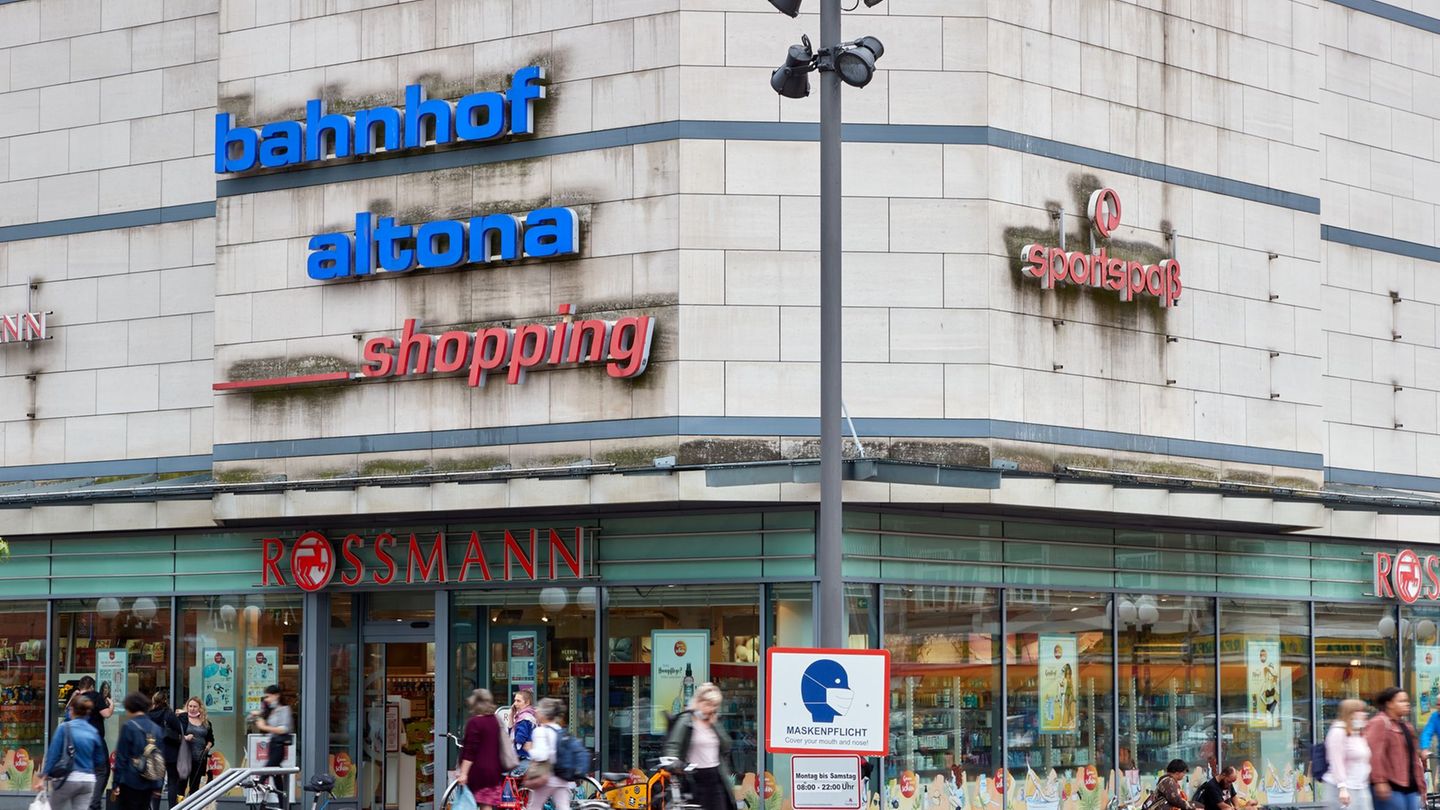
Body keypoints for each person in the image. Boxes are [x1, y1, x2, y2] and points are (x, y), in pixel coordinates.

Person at [663, 682, 738, 810]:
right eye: (709, 704)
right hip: (694, 779)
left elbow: (726, 745)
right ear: (699, 702)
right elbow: (673, 745)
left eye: (715, 706)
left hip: (716, 778)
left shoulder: (713, 722)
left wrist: (714, 724)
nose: (711, 709)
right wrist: (673, 762)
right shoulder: (687, 720)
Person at [1365, 688, 1425, 810]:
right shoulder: (1379, 722)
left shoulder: (1406, 726)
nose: (1407, 704)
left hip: (1410, 786)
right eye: (1401, 701)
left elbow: (1414, 758)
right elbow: (1374, 755)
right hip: (1391, 786)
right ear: (1389, 704)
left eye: (1407, 701)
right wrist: (1379, 781)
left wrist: (1421, 785)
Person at [44, 695, 104, 810]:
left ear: (72, 710)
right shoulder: (93, 731)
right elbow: (99, 759)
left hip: (68, 778)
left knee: (54, 807)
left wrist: (44, 774)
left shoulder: (64, 728)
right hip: (88, 780)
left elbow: (53, 753)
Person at [458, 689, 509, 810]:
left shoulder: (474, 722)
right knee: (486, 804)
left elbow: (470, 751)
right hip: (494, 771)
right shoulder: (495, 720)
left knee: (470, 803)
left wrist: (463, 773)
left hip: (478, 772)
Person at [112, 692, 163, 810]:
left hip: (130, 779)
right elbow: (159, 758)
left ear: (130, 707)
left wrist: (116, 782)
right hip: (149, 780)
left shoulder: (129, 726)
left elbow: (121, 757)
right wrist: (157, 784)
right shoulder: (156, 729)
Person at [73, 676, 114, 810]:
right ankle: (93, 802)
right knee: (103, 771)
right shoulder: (96, 696)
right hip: (95, 741)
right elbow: (106, 714)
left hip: (79, 742)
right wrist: (112, 705)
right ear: (91, 686)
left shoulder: (76, 699)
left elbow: (68, 716)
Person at [250, 685, 293, 810]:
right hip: (272, 745)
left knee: (267, 770)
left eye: (268, 696)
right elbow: (252, 719)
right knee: (276, 776)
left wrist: (265, 727)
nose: (266, 699)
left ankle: (258, 784)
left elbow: (284, 728)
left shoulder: (284, 709)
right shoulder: (269, 710)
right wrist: (256, 715)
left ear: (276, 695)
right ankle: (283, 805)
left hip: (279, 746)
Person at [525, 698, 571, 810]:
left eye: (538, 709)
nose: (536, 711)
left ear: (544, 714)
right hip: (562, 777)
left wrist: (529, 749)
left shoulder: (540, 731)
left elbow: (542, 755)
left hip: (547, 778)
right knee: (563, 807)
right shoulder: (559, 729)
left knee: (533, 807)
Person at [1326, 699, 1372, 810]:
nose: (1364, 714)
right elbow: (1336, 761)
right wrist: (1342, 787)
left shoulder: (1357, 733)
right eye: (1360, 711)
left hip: (1361, 786)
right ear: (1350, 713)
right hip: (1344, 788)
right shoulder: (1338, 732)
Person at [174, 698, 214, 803]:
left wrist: (209, 745)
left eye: (195, 706)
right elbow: (174, 735)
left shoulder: (206, 722)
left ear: (200, 708)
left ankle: (193, 805)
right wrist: (185, 737)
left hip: (200, 758)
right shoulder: (182, 720)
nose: (192, 709)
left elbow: (211, 739)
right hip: (185, 757)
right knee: (181, 784)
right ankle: (180, 805)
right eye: (190, 706)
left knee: (195, 786)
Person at [510, 690, 537, 764]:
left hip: (523, 756)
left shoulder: (523, 718)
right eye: (515, 700)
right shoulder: (532, 714)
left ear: (527, 702)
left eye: (518, 701)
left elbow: (520, 739)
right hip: (530, 756)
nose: (515, 704)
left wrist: (512, 740)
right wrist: (511, 716)